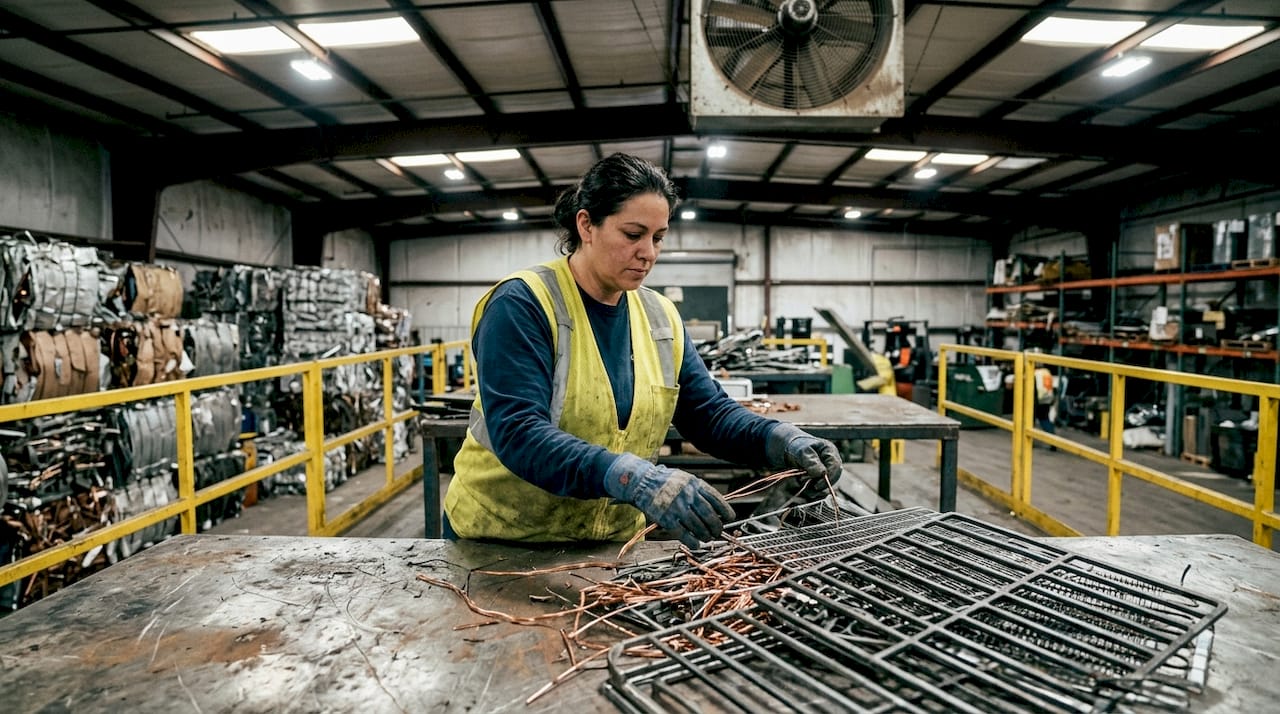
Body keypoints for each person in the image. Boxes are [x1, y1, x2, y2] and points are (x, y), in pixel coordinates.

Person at [443, 152, 842, 548]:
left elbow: (708, 414)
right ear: (587, 225)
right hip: (500, 541)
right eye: (633, 235)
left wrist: (780, 438)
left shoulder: (659, 316)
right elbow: (519, 432)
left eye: (658, 237)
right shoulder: (523, 304)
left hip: (609, 544)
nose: (649, 252)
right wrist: (632, 477)